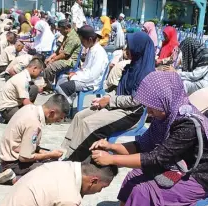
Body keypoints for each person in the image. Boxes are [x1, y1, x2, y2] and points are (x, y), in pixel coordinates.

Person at [90, 71, 208, 206]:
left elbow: (156, 158)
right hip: (179, 164)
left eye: (152, 108)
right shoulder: (165, 115)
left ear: (165, 100)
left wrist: (112, 160)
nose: (149, 112)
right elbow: (143, 145)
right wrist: (111, 147)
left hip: (200, 176)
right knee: (133, 176)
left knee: (144, 190)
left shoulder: (186, 124)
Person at [61, 32, 155, 162]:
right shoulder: (131, 66)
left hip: (131, 113)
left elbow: (135, 101)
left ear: (138, 49)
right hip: (117, 106)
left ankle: (75, 160)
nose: (126, 49)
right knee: (79, 116)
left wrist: (109, 101)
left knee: (88, 124)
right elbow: (118, 90)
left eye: (130, 47)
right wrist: (103, 99)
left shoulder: (147, 74)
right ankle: (65, 152)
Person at [0, 94, 70, 184]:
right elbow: (25, 157)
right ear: (51, 113)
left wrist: (42, 151)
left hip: (8, 154)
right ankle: (13, 179)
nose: (58, 121)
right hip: (12, 163)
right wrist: (50, 155)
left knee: (51, 159)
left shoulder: (30, 108)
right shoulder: (34, 123)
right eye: (59, 118)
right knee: (52, 171)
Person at [56, 25, 108, 104]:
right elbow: (85, 68)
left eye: (82, 41)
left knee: (64, 87)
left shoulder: (99, 53)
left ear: (90, 39)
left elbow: (92, 75)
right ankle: (62, 106)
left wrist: (75, 76)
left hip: (91, 82)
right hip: (86, 78)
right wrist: (76, 73)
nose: (82, 44)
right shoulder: (92, 49)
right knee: (62, 79)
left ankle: (64, 107)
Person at [0, 58, 44, 123]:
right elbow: (26, 102)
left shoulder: (24, 75)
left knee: (34, 88)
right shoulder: (22, 79)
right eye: (40, 71)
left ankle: (26, 111)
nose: (39, 74)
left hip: (15, 105)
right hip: (8, 109)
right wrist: (40, 111)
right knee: (32, 118)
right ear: (34, 68)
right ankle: (11, 117)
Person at [44, 20, 81, 89]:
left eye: (60, 30)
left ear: (66, 28)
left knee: (49, 68)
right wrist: (50, 58)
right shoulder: (66, 36)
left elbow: (65, 54)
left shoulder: (73, 38)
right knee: (46, 62)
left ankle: (49, 86)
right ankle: (49, 84)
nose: (60, 32)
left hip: (69, 61)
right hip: (64, 58)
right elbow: (58, 51)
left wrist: (53, 60)